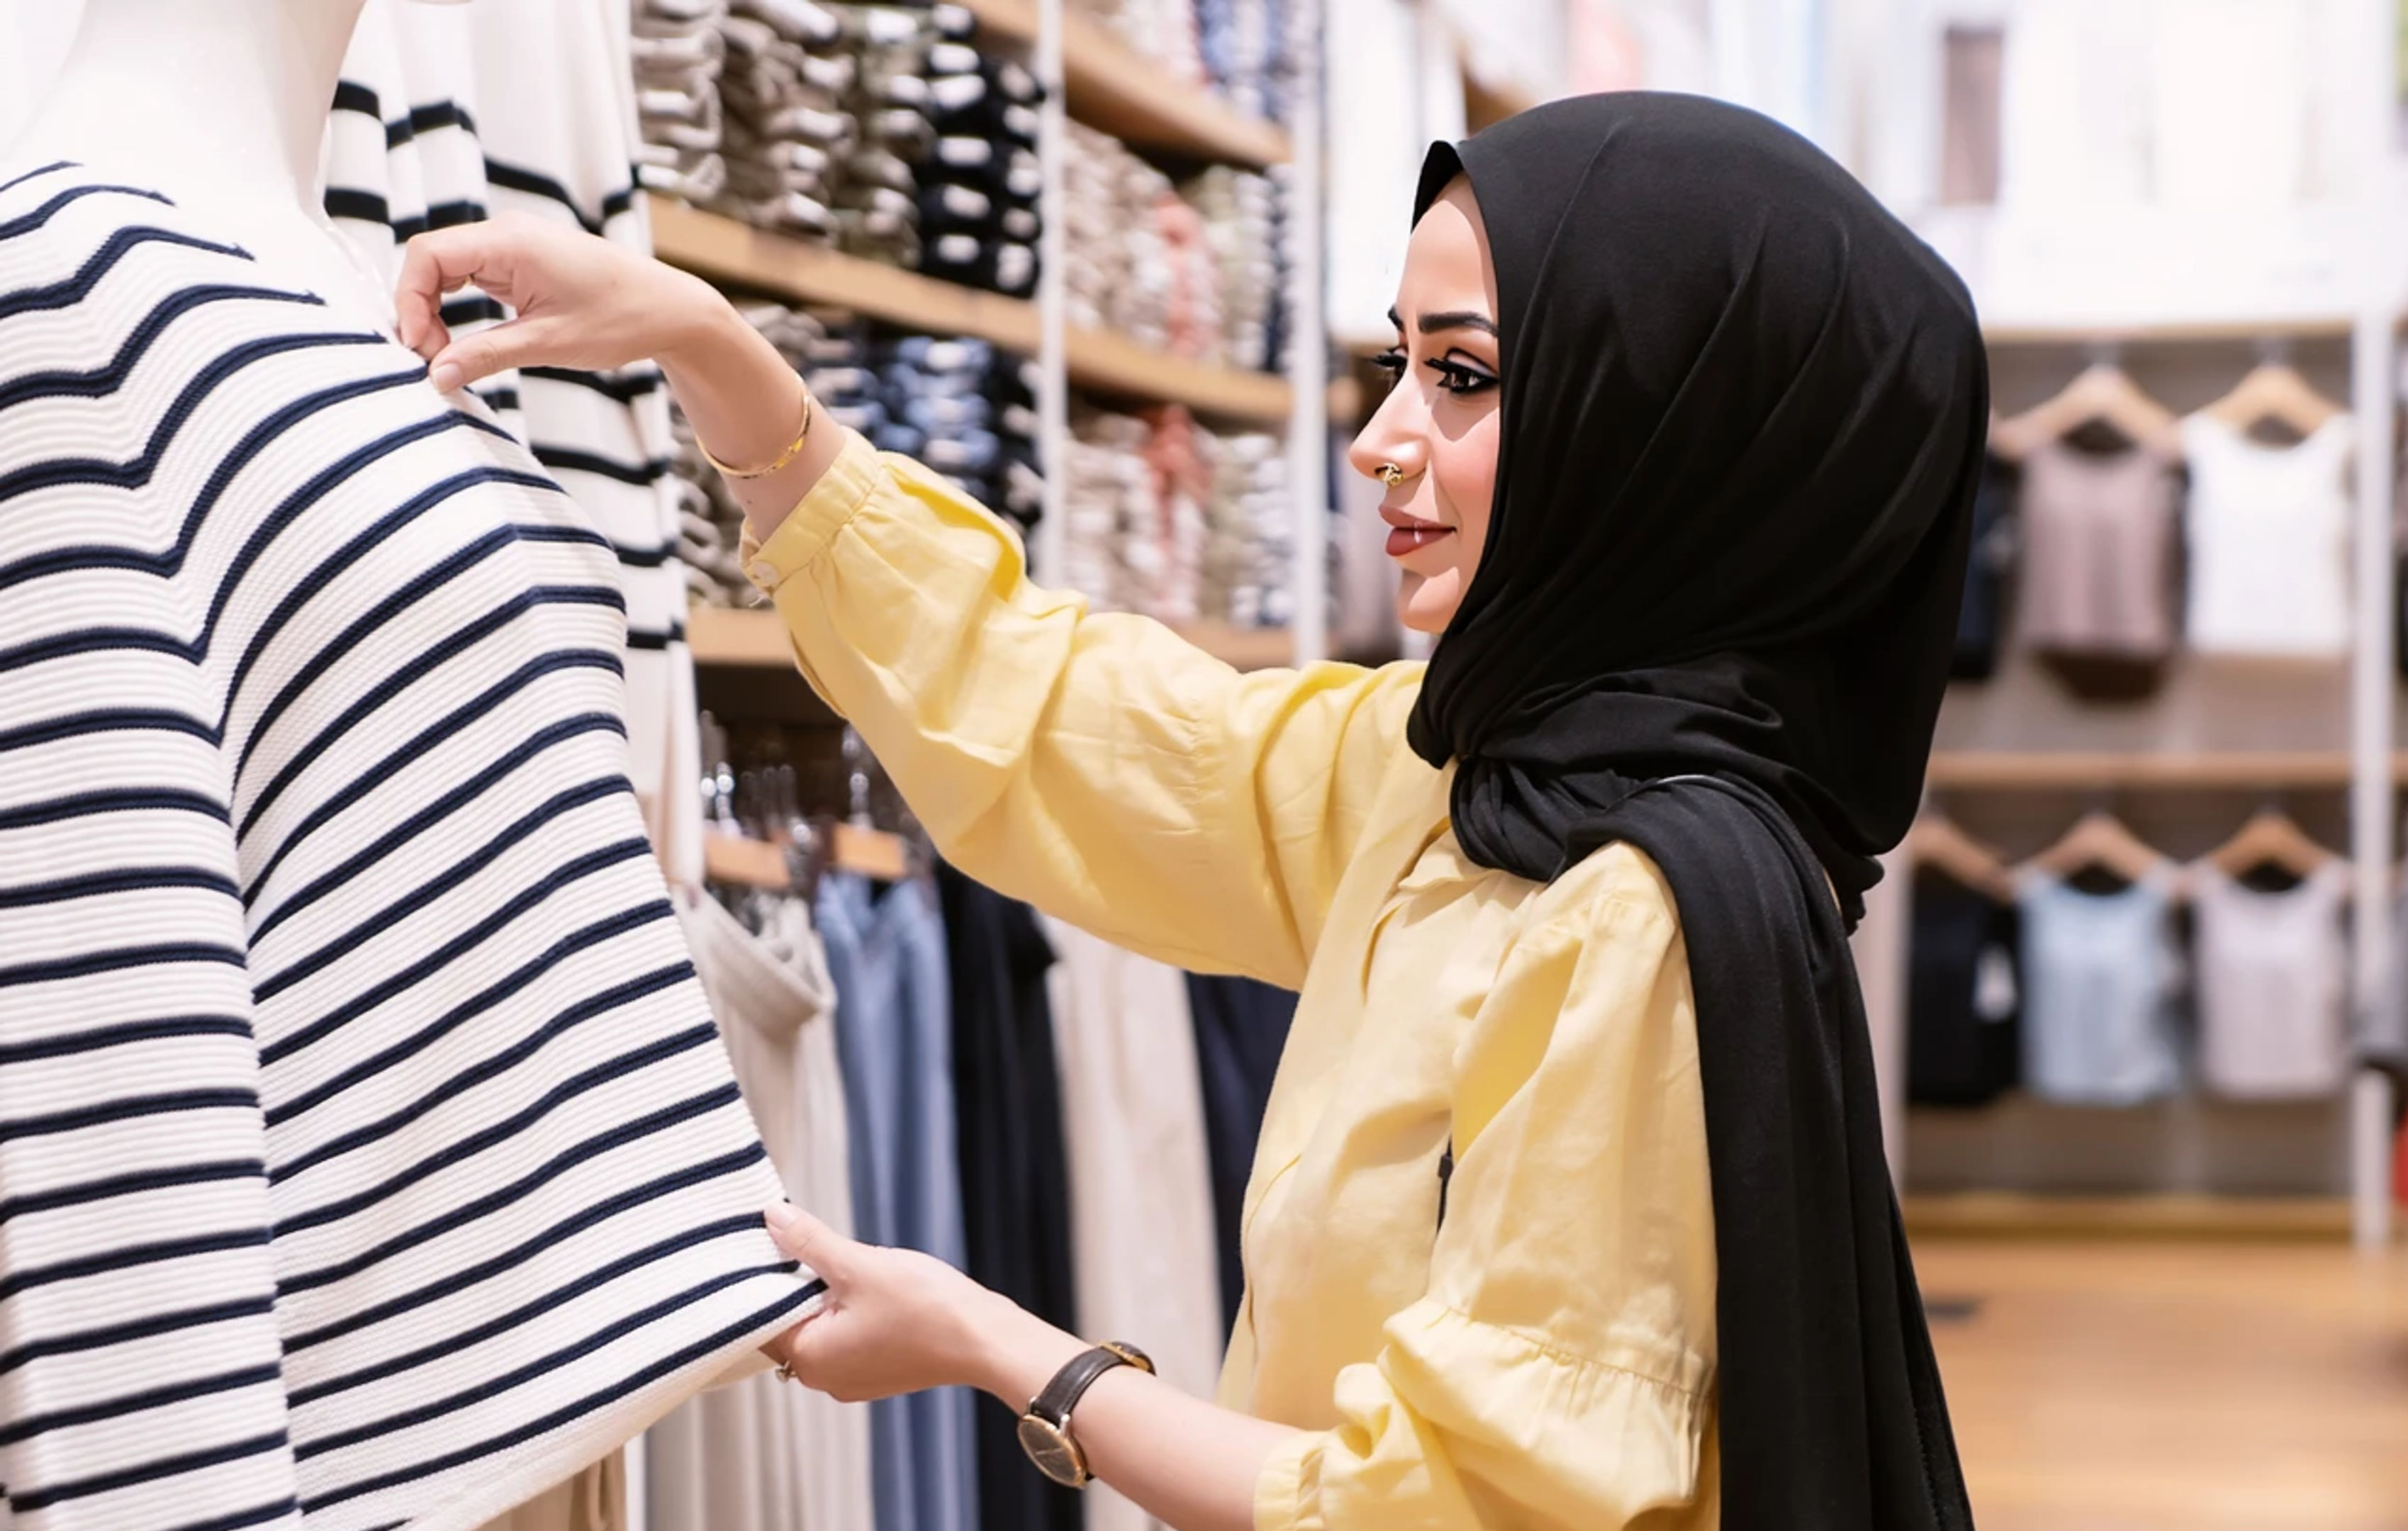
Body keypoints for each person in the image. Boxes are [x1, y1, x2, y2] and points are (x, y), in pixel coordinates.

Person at [398, 95, 1986, 1531]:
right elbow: (1076, 720)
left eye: (1468, 376)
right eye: (1397, 363)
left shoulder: (1635, 911)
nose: (1381, 439)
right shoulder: (1456, 777)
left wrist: (1004, 1352)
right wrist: (721, 362)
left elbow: (1443, 1507)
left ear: (1666, 439)